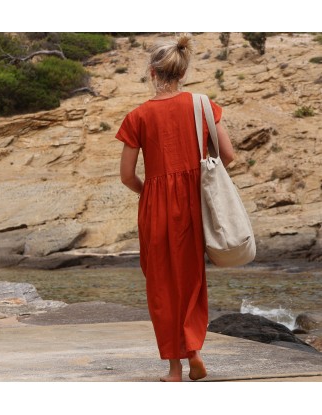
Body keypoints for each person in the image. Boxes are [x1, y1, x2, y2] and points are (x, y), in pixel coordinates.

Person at [115, 34, 234, 382]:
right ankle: (194, 349)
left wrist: (148, 191)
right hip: (194, 204)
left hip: (155, 207)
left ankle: (174, 369)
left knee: (161, 286)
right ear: (182, 73)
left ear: (152, 72)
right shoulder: (202, 106)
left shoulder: (137, 116)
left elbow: (126, 176)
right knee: (192, 281)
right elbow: (227, 155)